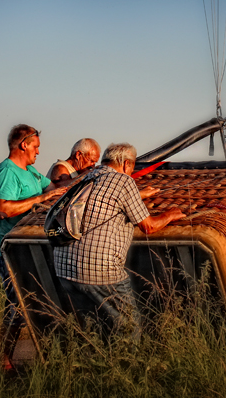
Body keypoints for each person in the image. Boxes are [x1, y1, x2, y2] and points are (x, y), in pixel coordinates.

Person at [51, 142, 185, 343]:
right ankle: (129, 367)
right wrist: (170, 215)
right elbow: (148, 226)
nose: (131, 173)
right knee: (128, 327)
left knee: (95, 329)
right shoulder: (124, 182)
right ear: (125, 164)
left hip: (64, 269)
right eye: (131, 168)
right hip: (99, 272)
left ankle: (97, 367)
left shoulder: (85, 178)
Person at [0, 124, 69, 376]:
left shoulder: (32, 172)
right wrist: (39, 200)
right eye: (35, 146)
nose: (38, 151)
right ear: (23, 145)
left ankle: (46, 359)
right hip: (11, 250)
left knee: (44, 302)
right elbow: (4, 209)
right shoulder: (6, 172)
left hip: (34, 246)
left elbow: (52, 189)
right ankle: (5, 362)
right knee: (17, 305)